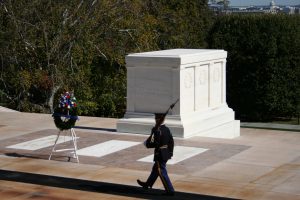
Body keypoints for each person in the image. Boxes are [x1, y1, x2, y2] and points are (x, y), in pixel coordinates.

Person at [137, 113, 175, 196]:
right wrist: (170, 153)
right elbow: (171, 141)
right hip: (166, 153)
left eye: (156, 119)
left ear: (158, 120)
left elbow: (154, 143)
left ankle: (170, 190)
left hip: (160, 154)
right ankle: (147, 184)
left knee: (161, 171)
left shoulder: (156, 130)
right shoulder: (167, 129)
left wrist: (146, 144)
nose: (155, 120)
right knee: (155, 170)